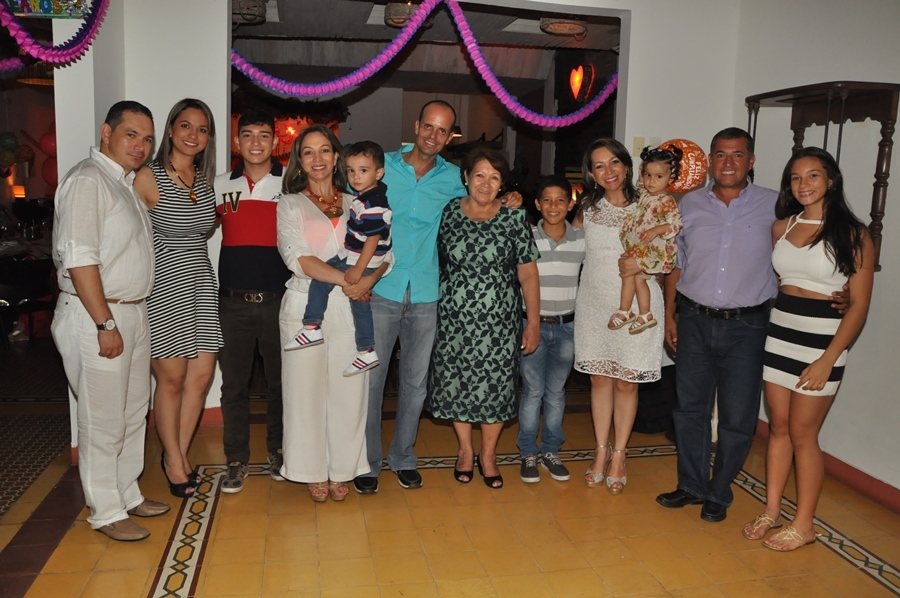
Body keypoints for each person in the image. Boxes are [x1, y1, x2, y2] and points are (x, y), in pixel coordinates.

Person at [356, 100, 522, 494]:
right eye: (428, 126)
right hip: (381, 288)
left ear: (450, 137)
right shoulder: (381, 166)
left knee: (415, 384)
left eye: (443, 130)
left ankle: (403, 457)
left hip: (428, 293)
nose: (433, 135)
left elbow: (483, 196)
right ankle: (367, 461)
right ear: (416, 126)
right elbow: (346, 201)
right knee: (372, 381)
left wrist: (510, 197)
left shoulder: (453, 178)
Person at [742, 147, 873, 551]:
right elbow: (781, 283)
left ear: (830, 180)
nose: (804, 184)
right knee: (778, 429)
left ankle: (804, 525)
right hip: (781, 333)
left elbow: (859, 306)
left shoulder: (854, 234)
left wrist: (828, 360)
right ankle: (772, 510)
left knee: (803, 434)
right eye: (796, 177)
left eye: (813, 175)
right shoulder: (782, 227)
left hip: (822, 342)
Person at [51, 100, 170, 542]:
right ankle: (105, 510)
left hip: (132, 310)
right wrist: (104, 324)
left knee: (134, 410)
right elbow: (80, 258)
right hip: (97, 314)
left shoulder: (122, 182)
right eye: (131, 134)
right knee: (102, 417)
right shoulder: (87, 180)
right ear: (107, 133)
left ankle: (126, 491)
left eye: (147, 139)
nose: (140, 145)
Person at [277, 125, 390, 502]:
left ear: (336, 156)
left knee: (349, 391)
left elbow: (386, 252)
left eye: (324, 150)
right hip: (304, 305)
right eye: (308, 152)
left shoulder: (359, 199)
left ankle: (342, 468)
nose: (317, 158)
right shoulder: (290, 203)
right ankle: (310, 470)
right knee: (304, 392)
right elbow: (297, 257)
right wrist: (348, 278)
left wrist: (367, 279)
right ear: (299, 160)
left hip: (350, 307)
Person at [429, 147, 540, 489]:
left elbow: (528, 275)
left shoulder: (514, 218)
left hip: (499, 324)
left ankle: (488, 455)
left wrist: (533, 322)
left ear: (502, 184)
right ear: (465, 177)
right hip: (453, 321)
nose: (486, 183)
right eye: (479, 175)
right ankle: (465, 450)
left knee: (496, 387)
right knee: (456, 383)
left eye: (494, 177)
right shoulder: (448, 212)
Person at [134, 98, 223, 498]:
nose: (193, 135)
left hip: (200, 283)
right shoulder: (147, 177)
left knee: (200, 378)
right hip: (164, 287)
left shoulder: (205, 182)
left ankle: (180, 455)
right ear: (170, 130)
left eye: (202, 129)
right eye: (185, 126)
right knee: (171, 380)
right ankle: (172, 461)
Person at [575, 138, 664, 495]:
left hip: (638, 306)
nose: (608, 171)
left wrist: (644, 264)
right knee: (599, 380)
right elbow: (562, 239)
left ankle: (619, 455)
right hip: (594, 303)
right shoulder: (586, 208)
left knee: (627, 382)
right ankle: (600, 451)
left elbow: (669, 254)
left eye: (614, 162)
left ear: (627, 166)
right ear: (591, 174)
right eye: (599, 165)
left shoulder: (649, 205)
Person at [213, 110, 290, 494]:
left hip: (280, 301)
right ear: (236, 142)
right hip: (232, 304)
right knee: (233, 388)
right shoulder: (218, 184)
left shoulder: (291, 182)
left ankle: (279, 451)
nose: (256, 142)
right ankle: (236, 459)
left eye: (263, 135)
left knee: (281, 384)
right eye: (247, 135)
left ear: (275, 142)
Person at [285, 140, 392, 377]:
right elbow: (297, 257)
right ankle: (318, 329)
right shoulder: (362, 197)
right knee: (331, 285)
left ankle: (361, 347)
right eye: (351, 170)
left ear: (378, 173)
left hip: (360, 260)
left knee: (356, 304)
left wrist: (360, 273)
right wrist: (354, 280)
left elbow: (374, 240)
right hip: (351, 257)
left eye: (363, 171)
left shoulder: (373, 202)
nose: (356, 176)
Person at [518, 175, 585, 484]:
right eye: (547, 200)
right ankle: (528, 452)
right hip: (532, 325)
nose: (554, 206)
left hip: (567, 327)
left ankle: (550, 450)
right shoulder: (527, 237)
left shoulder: (582, 239)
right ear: (537, 204)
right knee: (533, 392)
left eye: (560, 200)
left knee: (556, 393)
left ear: (570, 204)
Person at [610, 145, 683, 334]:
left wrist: (657, 229)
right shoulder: (644, 193)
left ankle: (645, 313)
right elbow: (639, 183)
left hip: (651, 251)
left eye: (659, 176)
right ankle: (625, 310)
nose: (651, 181)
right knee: (628, 276)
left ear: (671, 178)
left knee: (640, 281)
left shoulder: (666, 201)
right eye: (648, 175)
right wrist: (642, 170)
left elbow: (676, 224)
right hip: (638, 247)